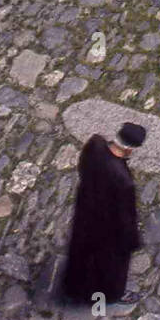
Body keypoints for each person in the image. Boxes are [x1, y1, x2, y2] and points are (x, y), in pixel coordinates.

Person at [62, 122, 145, 306]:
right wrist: (132, 240)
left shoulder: (95, 145)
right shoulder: (123, 182)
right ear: (131, 149)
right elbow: (125, 216)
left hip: (86, 212)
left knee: (82, 254)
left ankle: (74, 288)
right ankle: (111, 294)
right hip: (108, 229)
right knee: (110, 266)